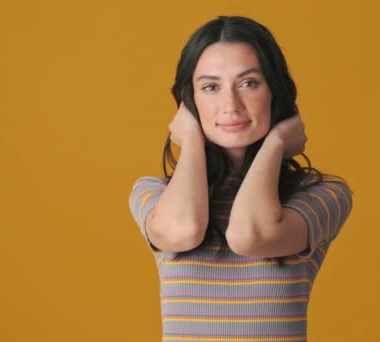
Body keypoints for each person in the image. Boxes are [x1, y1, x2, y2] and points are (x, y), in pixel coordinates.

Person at [129, 15, 353, 342]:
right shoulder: (153, 194)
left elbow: (249, 235)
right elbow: (184, 230)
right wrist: (192, 140)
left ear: (274, 90)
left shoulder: (320, 195)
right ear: (188, 103)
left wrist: (275, 143)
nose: (230, 106)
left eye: (249, 83)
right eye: (210, 87)